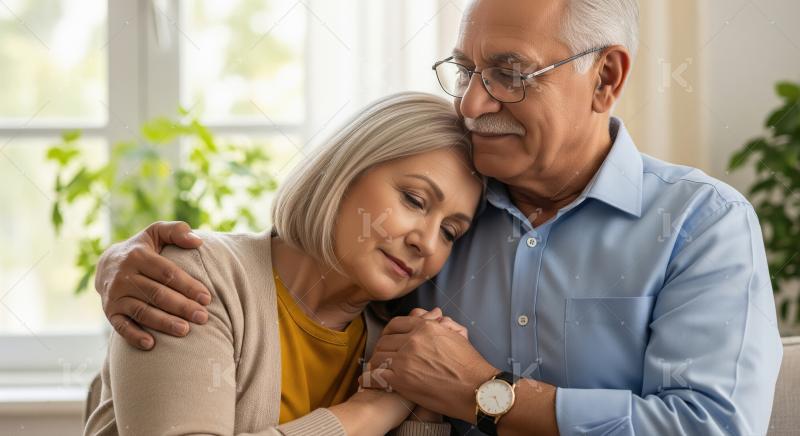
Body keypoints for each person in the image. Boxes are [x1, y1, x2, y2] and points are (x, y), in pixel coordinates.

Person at [91, 0, 784, 434]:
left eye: (510, 73)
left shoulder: (701, 226)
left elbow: (712, 427)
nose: (473, 104)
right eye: (465, 70)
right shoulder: (451, 208)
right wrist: (126, 262)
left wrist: (487, 394)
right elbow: (288, 271)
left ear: (605, 78)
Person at [83, 92, 484, 435]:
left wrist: (423, 411)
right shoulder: (199, 277)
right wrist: (368, 413)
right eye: (414, 200)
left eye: (450, 232)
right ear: (344, 173)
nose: (426, 243)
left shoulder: (398, 347)